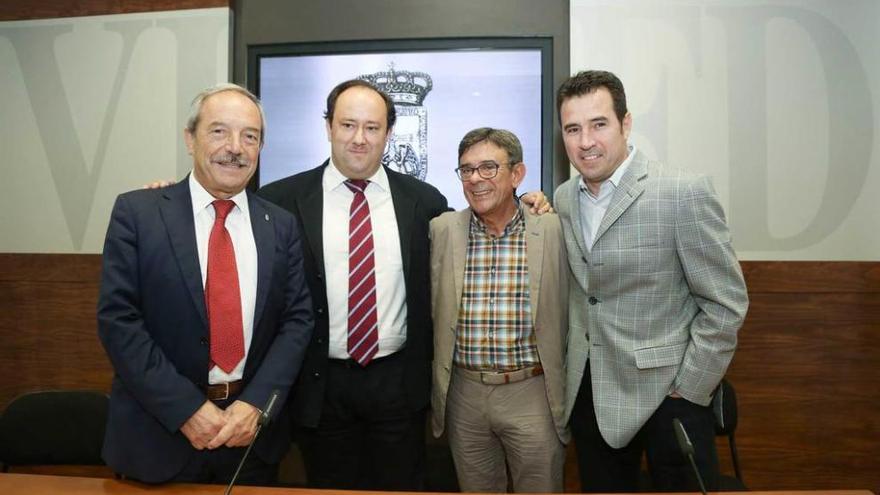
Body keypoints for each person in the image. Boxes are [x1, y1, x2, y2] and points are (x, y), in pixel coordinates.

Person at [97, 83, 313, 484]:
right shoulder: (138, 214)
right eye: (219, 131)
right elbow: (119, 322)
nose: (235, 147)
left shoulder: (280, 225)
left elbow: (297, 321)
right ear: (189, 138)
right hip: (158, 439)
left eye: (250, 136)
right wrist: (186, 410)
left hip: (249, 440)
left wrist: (256, 405)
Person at [554, 70, 749, 492]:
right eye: (573, 128)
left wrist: (690, 388)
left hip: (669, 397)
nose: (585, 141)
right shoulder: (565, 198)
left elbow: (726, 302)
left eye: (599, 124)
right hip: (593, 395)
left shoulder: (682, 192)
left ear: (626, 124)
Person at [257, 79, 448, 490]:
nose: (359, 139)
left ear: (388, 133)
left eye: (372, 127)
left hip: (398, 384)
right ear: (328, 127)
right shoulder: (280, 201)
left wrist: (528, 202)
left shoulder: (425, 201)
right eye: (347, 125)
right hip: (320, 386)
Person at [429, 128, 568, 492]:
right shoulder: (441, 230)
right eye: (466, 169)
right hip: (464, 394)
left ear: (517, 174)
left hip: (531, 390)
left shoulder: (554, 229)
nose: (475, 179)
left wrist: (543, 201)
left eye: (488, 168)